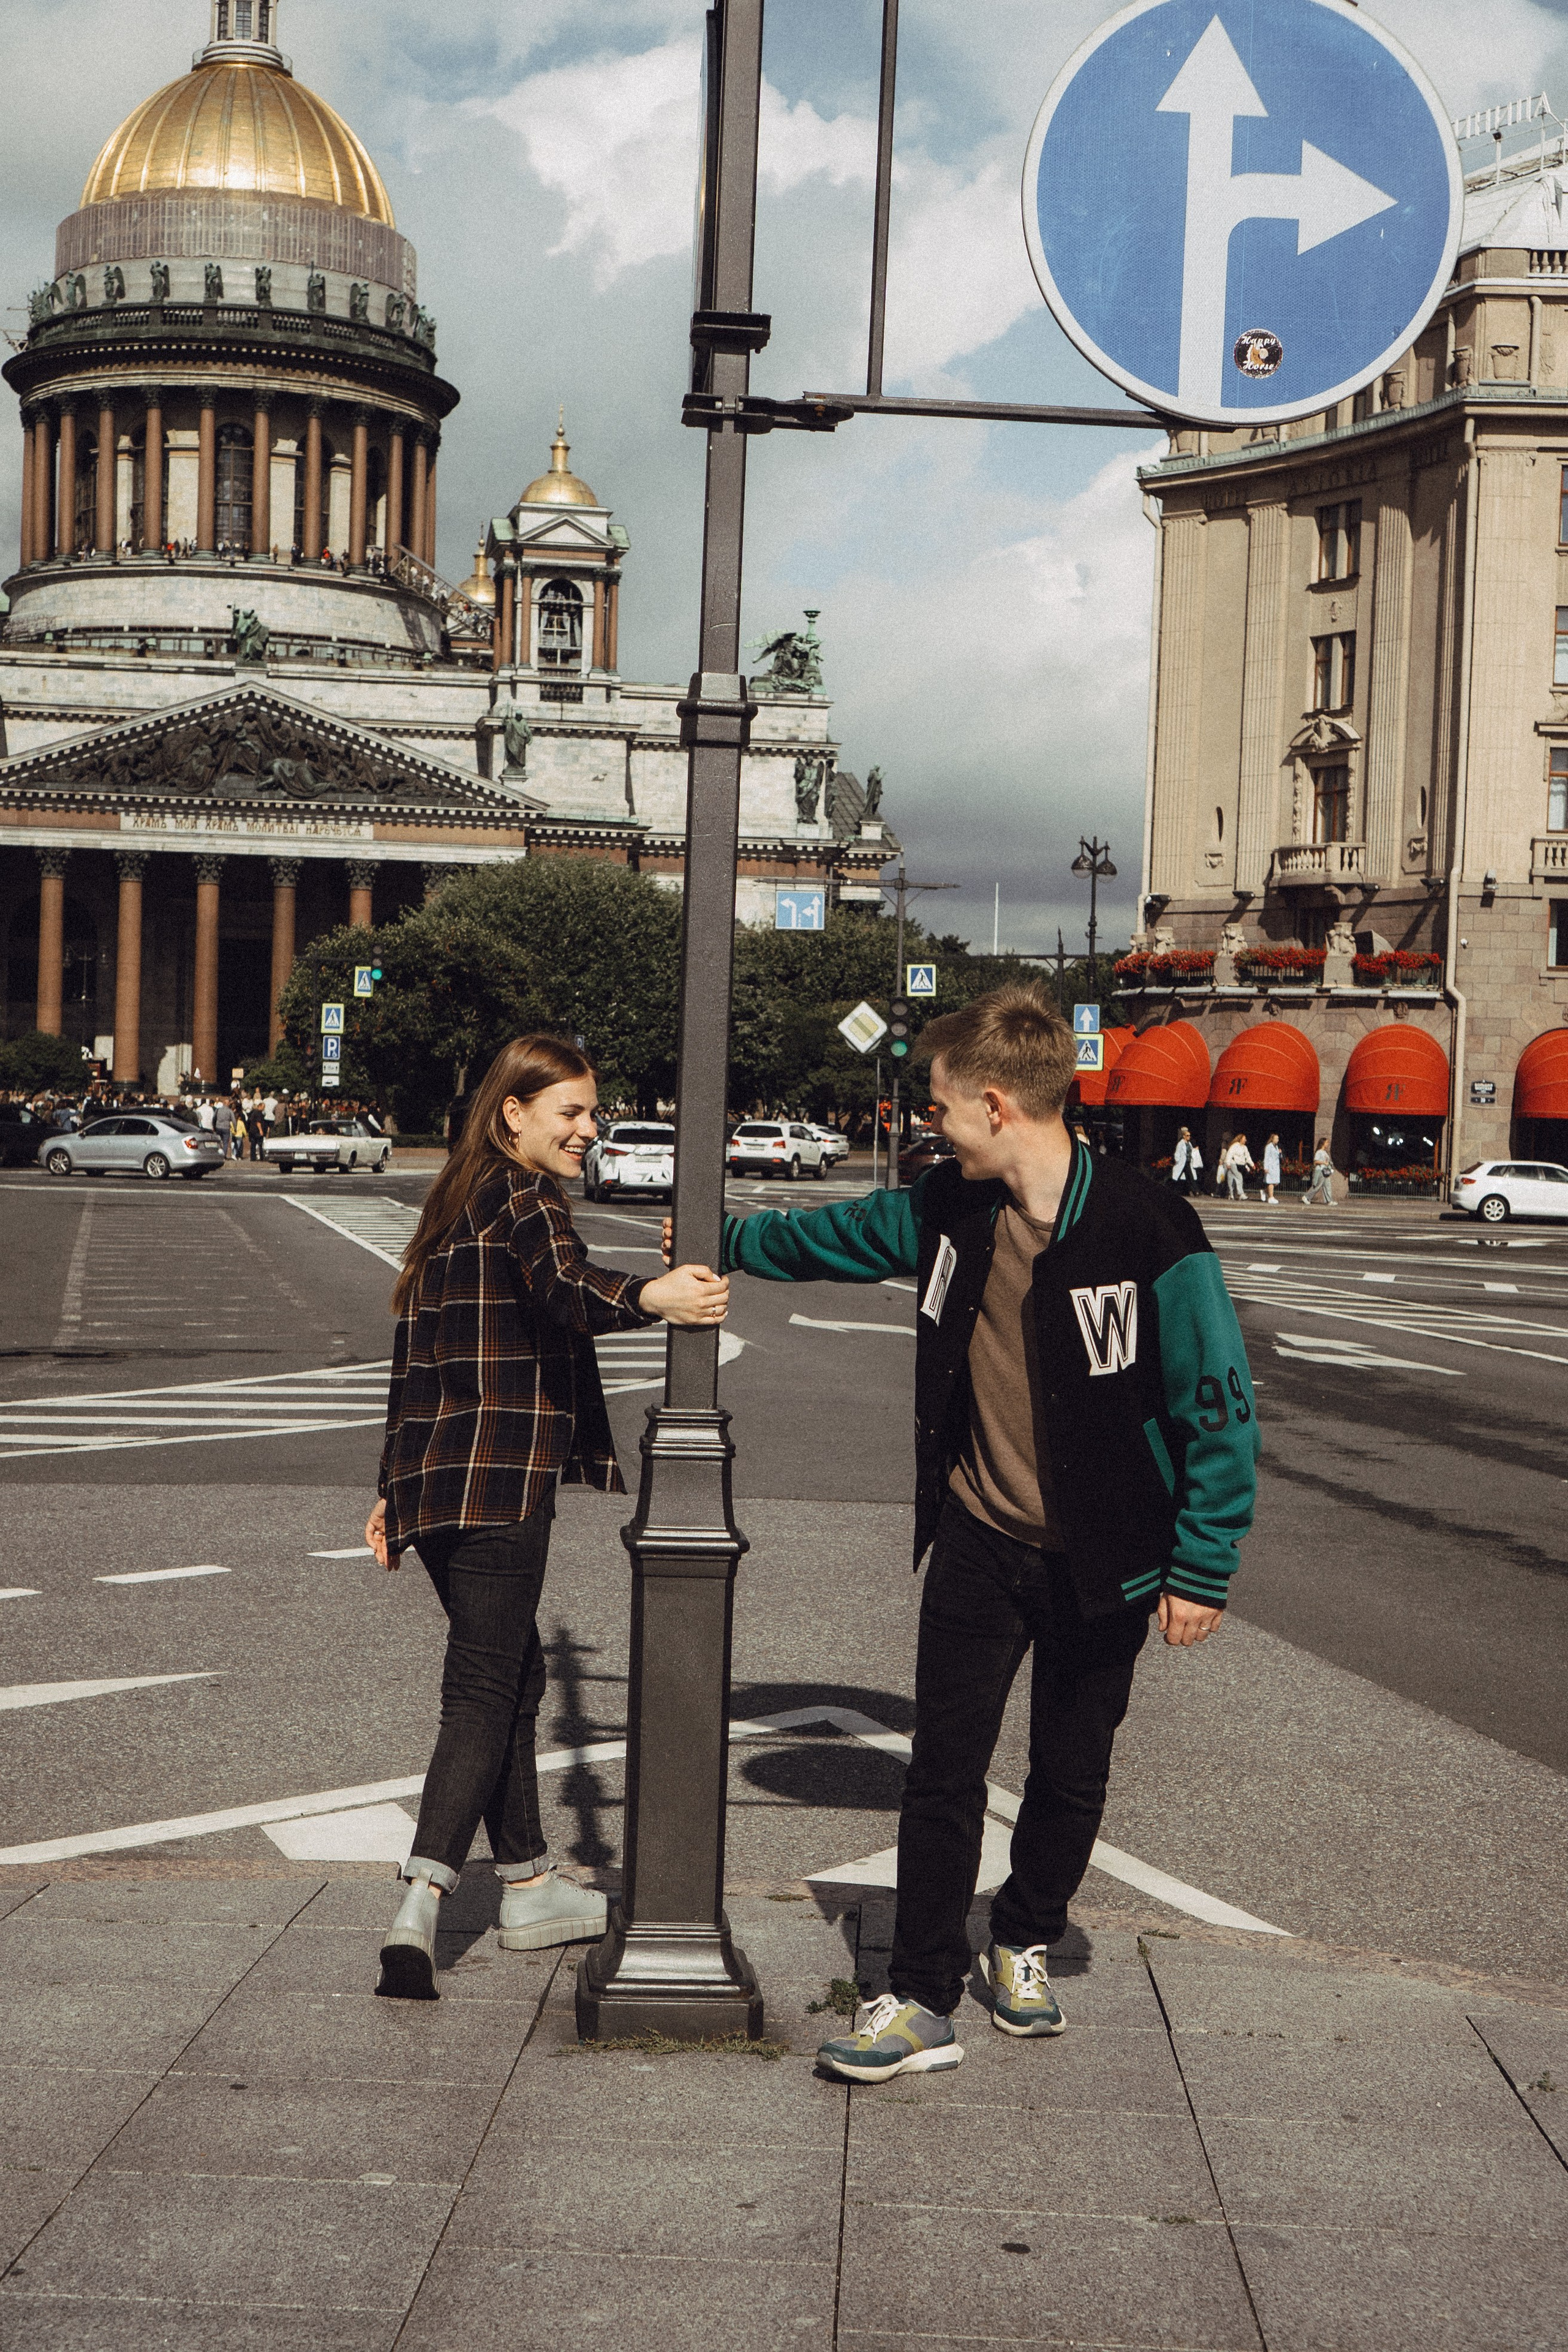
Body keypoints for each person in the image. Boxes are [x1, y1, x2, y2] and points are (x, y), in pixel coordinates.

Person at [700, 986, 1258, 2081]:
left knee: (1071, 1769)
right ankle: (917, 1995)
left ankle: (1023, 1938)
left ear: (998, 1106)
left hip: (1110, 1558)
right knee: (943, 1770)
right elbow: (838, 1237)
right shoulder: (949, 1205)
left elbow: (1220, 1402)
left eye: (944, 1109)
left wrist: (1204, 1563)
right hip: (980, 1535)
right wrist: (726, 1237)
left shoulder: (1148, 1227)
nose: (932, 1128)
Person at [366, 1035, 729, 2003]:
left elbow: (413, 1363)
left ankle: (526, 1884)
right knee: (486, 1686)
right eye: (569, 1112)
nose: (588, 1129)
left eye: (590, 1112)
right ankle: (423, 1897)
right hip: (500, 1480)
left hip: (438, 1486)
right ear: (511, 1113)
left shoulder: (450, 1203)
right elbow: (564, 1290)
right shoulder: (525, 1198)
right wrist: (651, 1295)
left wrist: (392, 1491)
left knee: (515, 1671)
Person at [1305, 1137, 1335, 1207]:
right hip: (1321, 1171)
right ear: (1323, 1143)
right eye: (1327, 1142)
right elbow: (1316, 1161)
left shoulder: (1325, 1152)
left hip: (1326, 1171)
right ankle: (1306, 1197)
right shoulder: (1319, 1152)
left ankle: (1329, 1200)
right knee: (1318, 1186)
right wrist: (1324, 1163)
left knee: (1328, 1185)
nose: (1328, 1144)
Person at [1224, 1133, 1254, 1202]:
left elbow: (1247, 1157)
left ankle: (1231, 1194)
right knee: (1239, 1176)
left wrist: (1252, 1164)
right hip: (1232, 1163)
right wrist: (1228, 1163)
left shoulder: (1244, 1148)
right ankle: (1241, 1194)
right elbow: (1229, 1154)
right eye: (1244, 1139)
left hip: (1238, 1165)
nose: (1246, 1140)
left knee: (1231, 1179)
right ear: (1240, 1139)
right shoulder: (1234, 1146)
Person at [1171, 1127, 1202, 1193]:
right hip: (1182, 1163)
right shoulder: (1181, 1143)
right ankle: (1195, 1191)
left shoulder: (1189, 1143)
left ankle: (1195, 1191)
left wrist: (1195, 1149)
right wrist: (1177, 1160)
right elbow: (1177, 1152)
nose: (1189, 1137)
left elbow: (1190, 1151)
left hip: (1187, 1162)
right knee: (1181, 1177)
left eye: (1189, 1135)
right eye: (1187, 1135)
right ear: (1184, 1136)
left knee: (1189, 1177)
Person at [1262, 1133, 1282, 1205]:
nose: (1278, 1140)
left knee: (1276, 1183)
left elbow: (1279, 1157)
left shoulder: (1276, 1147)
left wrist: (1280, 1153)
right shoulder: (1269, 1147)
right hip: (1270, 1167)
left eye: (1278, 1139)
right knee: (1271, 1182)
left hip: (1276, 1167)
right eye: (1276, 1138)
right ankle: (1271, 1197)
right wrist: (1266, 1167)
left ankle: (1264, 1192)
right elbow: (1266, 1157)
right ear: (1272, 1139)